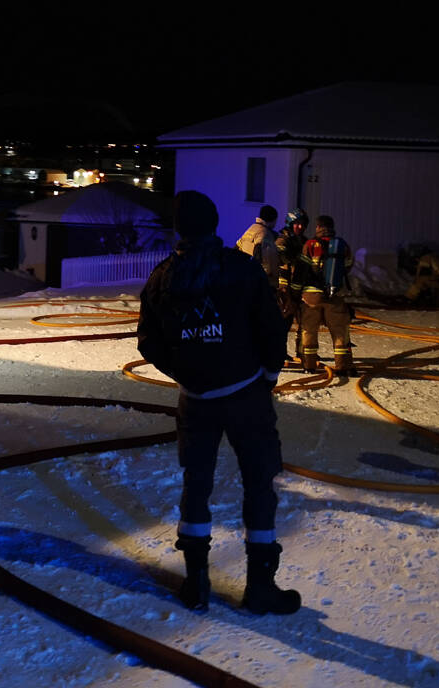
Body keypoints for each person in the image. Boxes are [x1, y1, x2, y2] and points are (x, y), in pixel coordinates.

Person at [138, 190, 300, 615]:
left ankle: (197, 584)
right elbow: (271, 328)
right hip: (247, 395)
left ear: (179, 228)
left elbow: (149, 343)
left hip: (196, 402)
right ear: (214, 223)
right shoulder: (241, 270)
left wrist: (188, 373)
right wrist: (265, 375)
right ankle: (260, 588)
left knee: (196, 484)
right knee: (259, 484)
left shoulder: (161, 278)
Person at [299, 215, 355, 376]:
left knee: (309, 330)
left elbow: (302, 269)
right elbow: (348, 266)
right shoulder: (342, 245)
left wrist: (297, 292)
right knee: (340, 331)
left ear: (318, 227)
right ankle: (342, 366)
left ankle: (309, 366)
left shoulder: (310, 244)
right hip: (335, 295)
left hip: (311, 296)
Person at [276, 208, 310, 361]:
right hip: (285, 287)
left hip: (300, 286)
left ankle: (302, 352)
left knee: (304, 321)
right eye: (297, 224)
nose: (300, 227)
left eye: (302, 224)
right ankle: (279, 352)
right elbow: (281, 257)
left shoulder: (303, 240)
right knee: (284, 322)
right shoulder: (282, 239)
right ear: (290, 224)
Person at [236, 205, 281, 287]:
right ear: (272, 220)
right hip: (261, 282)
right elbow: (265, 260)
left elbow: (236, 249)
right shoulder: (265, 234)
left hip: (246, 278)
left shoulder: (250, 230)